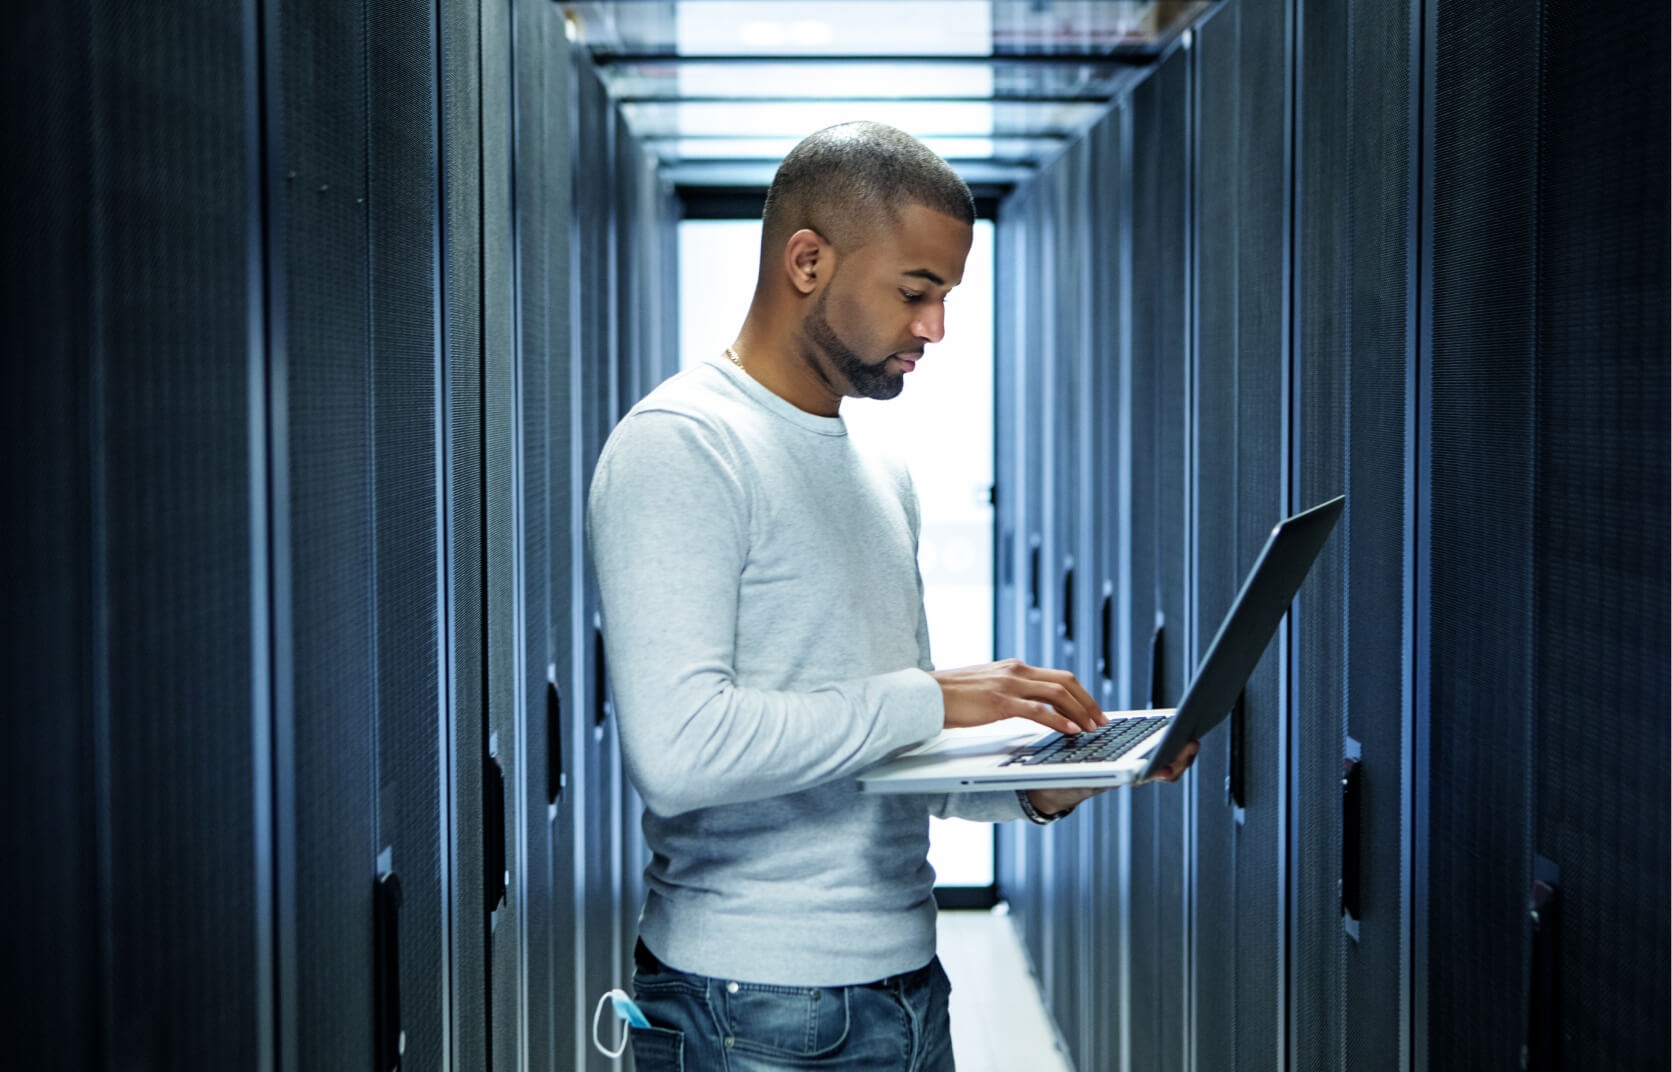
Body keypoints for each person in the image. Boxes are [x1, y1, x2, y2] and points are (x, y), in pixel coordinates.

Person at [587, 121, 1199, 1071]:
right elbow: (678, 751)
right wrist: (934, 694)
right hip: (748, 1009)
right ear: (806, 260)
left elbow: (883, 759)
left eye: (947, 295)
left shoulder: (878, 466)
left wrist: (1049, 788)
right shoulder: (682, 446)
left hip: (907, 992)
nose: (935, 329)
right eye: (916, 292)